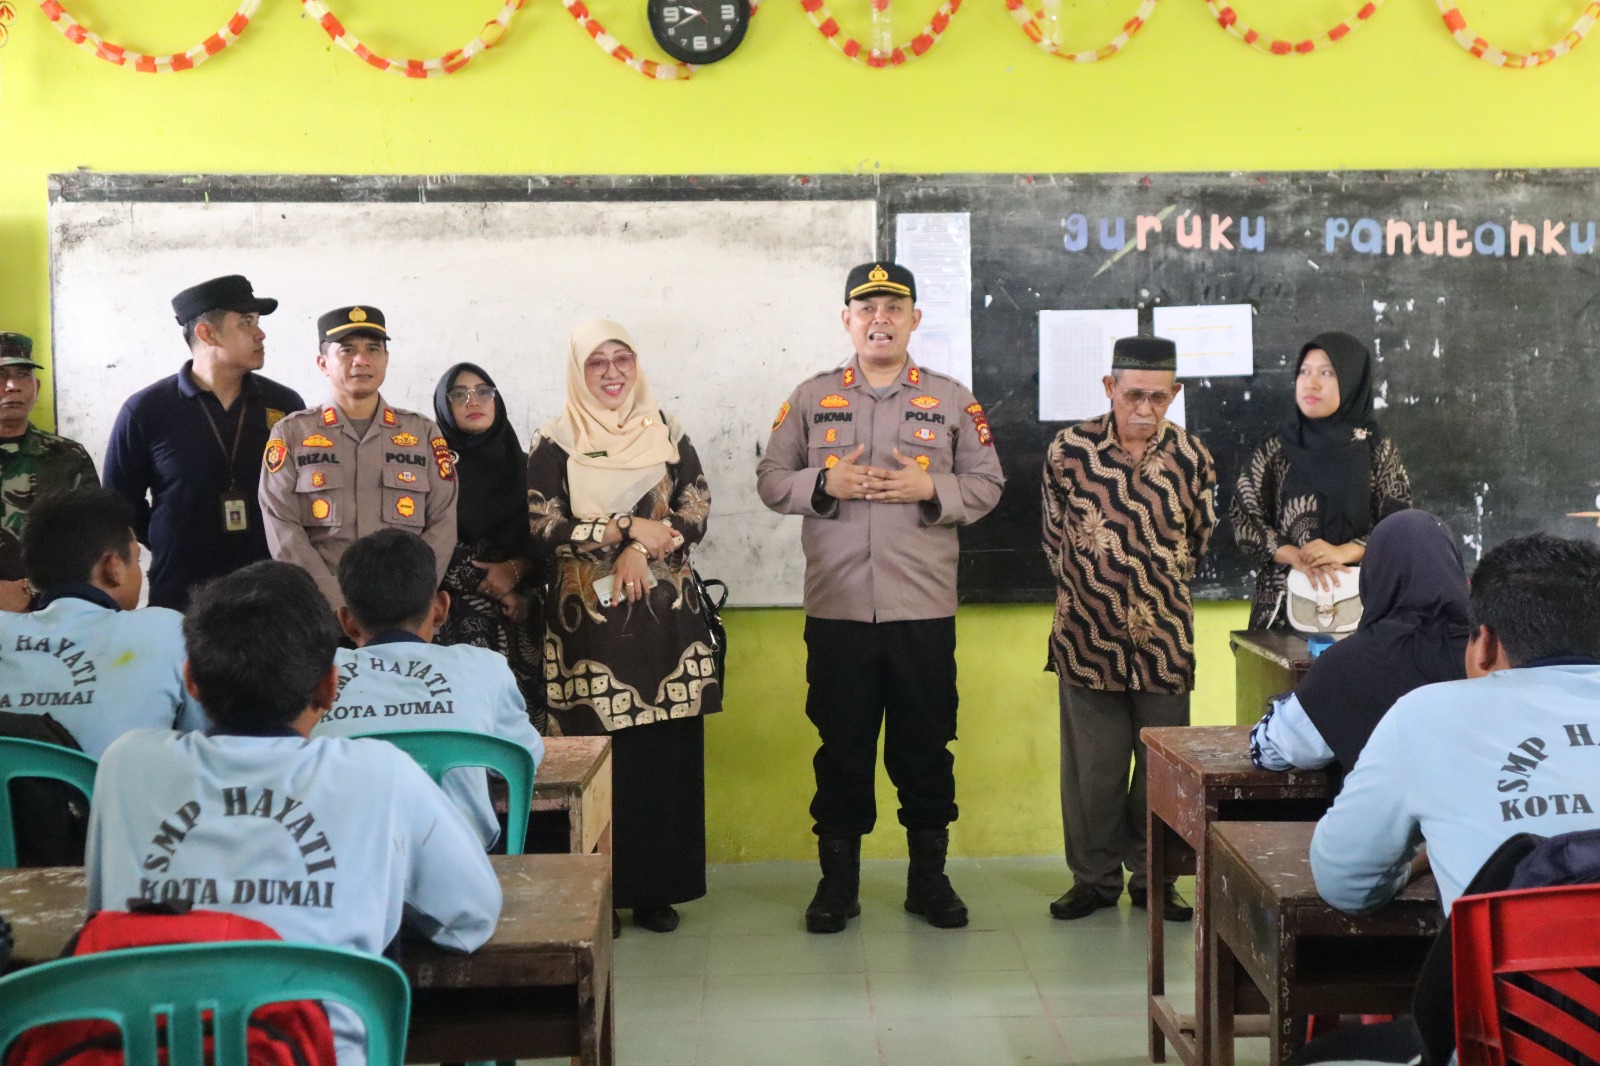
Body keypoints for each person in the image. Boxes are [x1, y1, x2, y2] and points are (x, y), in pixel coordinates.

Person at [85, 560, 501, 1066]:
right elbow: (471, 917)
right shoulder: (381, 775)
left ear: (191, 681)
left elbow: (105, 913)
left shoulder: (126, 764)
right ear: (329, 686)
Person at [756, 262, 1005, 934]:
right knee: (841, 749)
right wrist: (822, 482)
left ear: (915, 319)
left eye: (893, 307)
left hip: (922, 614)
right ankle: (837, 886)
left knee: (925, 752)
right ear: (847, 320)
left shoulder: (953, 400)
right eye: (865, 308)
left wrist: (933, 492)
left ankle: (929, 881)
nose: (879, 319)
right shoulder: (811, 397)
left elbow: (988, 484)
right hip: (837, 612)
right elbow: (771, 478)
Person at [527, 319, 719, 934]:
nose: (611, 374)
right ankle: (598, 892)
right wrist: (620, 531)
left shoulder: (668, 431)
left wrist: (652, 544)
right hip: (590, 635)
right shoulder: (554, 442)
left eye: (622, 360)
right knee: (596, 761)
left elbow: (696, 505)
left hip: (668, 631)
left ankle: (657, 889)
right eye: (596, 363)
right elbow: (542, 526)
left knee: (662, 761)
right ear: (577, 371)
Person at [1312, 532, 1600, 916]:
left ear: (1486, 645)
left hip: (1521, 976)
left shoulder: (1424, 715)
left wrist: (1424, 858)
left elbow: (1344, 882)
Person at [1042, 336, 1216, 923]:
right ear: (1109, 387)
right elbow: (1052, 539)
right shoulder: (1068, 452)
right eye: (1133, 395)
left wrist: (1149, 589)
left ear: (1176, 394)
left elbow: (1197, 541)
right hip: (1085, 638)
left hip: (1164, 640)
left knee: (1163, 771)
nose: (1145, 409)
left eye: (1159, 398)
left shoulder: (1194, 457)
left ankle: (1154, 880)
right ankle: (1091, 881)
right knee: (1093, 771)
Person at [312, 528, 544, 850]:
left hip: (347, 874)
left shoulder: (317, 676)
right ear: (440, 608)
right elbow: (522, 759)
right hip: (464, 872)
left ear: (347, 622)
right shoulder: (484, 666)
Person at [104, 275, 304, 610]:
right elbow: (118, 502)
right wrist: (170, 539)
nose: (260, 333)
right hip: (181, 595)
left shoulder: (284, 405)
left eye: (257, 322)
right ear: (206, 333)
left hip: (271, 594)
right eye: (246, 323)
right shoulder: (147, 410)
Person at [259, 306, 458, 613]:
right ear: (323, 363)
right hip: (319, 612)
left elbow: (442, 523)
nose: (361, 360)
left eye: (373, 349)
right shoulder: (291, 433)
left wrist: (408, 599)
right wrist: (334, 603)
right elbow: (281, 524)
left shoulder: (423, 433)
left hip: (403, 614)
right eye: (347, 350)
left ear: (386, 359)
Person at [1249, 509, 1470, 782]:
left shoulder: (1350, 663)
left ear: (1376, 573)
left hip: (1385, 823)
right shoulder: (1491, 651)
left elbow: (1274, 749)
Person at [0, 488, 206, 756]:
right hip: (124, 796)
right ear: (114, 567)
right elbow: (204, 744)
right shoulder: (166, 630)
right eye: (136, 559)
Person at [1230, 331, 1412, 630]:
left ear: (1351, 380)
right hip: (1282, 609)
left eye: (1327, 372)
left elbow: (1400, 527)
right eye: (1304, 371)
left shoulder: (1375, 447)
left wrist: (1344, 551)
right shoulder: (1276, 448)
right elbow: (1243, 519)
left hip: (1365, 609)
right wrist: (1296, 556)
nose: (1311, 383)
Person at [432, 363, 547, 733]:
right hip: (453, 617)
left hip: (521, 618)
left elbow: (546, 539)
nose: (473, 401)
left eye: (484, 391)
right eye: (459, 394)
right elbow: (426, 536)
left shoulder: (528, 466)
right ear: (444, 405)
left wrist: (515, 575)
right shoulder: (428, 468)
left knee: (522, 731)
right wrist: (489, 583)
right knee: (467, 727)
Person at [0, 332, 99, 612]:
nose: (12, 386)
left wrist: (27, 590)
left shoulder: (68, 457)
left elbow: (92, 542)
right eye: (1, 375)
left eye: (23, 375)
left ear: (37, 386)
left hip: (53, 614)